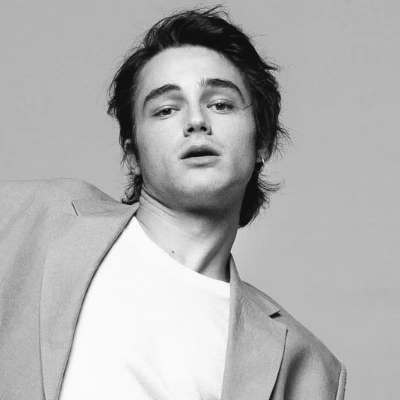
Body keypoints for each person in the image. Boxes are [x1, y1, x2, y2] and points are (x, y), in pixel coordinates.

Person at [0, 6, 346, 400]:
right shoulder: (33, 217)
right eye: (166, 110)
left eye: (221, 104)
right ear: (132, 154)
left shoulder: (304, 365)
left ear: (262, 143)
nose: (196, 121)